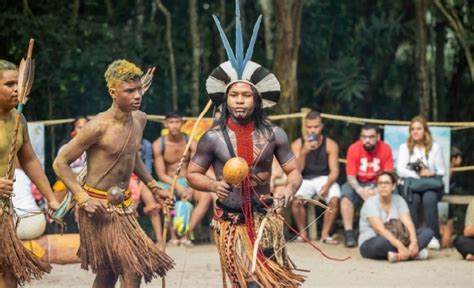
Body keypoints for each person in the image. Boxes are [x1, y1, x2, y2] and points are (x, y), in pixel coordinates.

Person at [187, 4, 304, 286]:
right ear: (225, 100)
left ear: (256, 100)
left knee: (270, 280)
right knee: (243, 280)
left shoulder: (275, 134)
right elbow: (192, 175)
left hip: (265, 218)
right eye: (234, 95)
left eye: (246, 95)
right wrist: (213, 186)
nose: (239, 100)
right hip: (230, 220)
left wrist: (290, 187)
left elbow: (294, 172)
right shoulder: (212, 137)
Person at [53, 59, 174, 287]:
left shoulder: (140, 119)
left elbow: (131, 155)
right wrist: (82, 197)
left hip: (124, 205)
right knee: (132, 265)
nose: (137, 95)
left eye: (139, 89)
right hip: (97, 208)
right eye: (129, 91)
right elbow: (60, 162)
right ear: (113, 92)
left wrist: (154, 186)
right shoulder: (97, 127)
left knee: (109, 272)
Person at [0, 59, 60, 287]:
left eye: (19, 83)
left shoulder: (18, 118)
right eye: (10, 84)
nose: (18, 89)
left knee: (8, 266)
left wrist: (52, 198)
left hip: (4, 207)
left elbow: (30, 161)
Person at [152, 111, 212, 246]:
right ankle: (173, 235)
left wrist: (190, 187)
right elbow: (160, 174)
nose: (174, 126)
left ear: (182, 123)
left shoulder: (191, 142)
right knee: (164, 196)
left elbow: (198, 168)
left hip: (188, 180)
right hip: (168, 182)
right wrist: (177, 187)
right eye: (171, 122)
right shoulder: (158, 145)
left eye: (177, 122)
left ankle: (186, 235)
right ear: (165, 124)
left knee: (205, 197)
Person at [359, 172, 433, 262]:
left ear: (393, 186)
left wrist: (414, 242)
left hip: (399, 238)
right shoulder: (370, 203)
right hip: (372, 241)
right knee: (380, 244)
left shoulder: (399, 200)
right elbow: (379, 230)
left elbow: (408, 223)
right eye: (380, 183)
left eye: (386, 183)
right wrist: (399, 245)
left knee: (427, 232)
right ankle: (412, 254)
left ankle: (399, 255)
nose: (383, 186)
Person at [291, 110, 340, 244]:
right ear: (305, 127)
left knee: (334, 198)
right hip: (304, 178)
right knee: (295, 199)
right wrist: (304, 152)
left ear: (321, 126)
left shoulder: (331, 144)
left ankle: (325, 234)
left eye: (315, 127)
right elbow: (296, 171)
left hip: (324, 178)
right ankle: (302, 234)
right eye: (309, 127)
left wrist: (328, 185)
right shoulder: (297, 144)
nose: (312, 130)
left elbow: (335, 171)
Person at [396, 116, 445, 250]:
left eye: (419, 128)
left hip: (431, 185)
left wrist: (430, 172)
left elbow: (442, 171)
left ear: (425, 131)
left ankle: (434, 236)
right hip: (413, 186)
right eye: (412, 129)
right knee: (413, 199)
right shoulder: (405, 147)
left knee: (429, 198)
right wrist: (418, 174)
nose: (415, 132)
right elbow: (400, 170)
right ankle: (415, 237)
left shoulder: (435, 147)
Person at [340, 123, 394, 247]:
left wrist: (377, 189)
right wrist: (360, 190)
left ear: (378, 137)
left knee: (391, 192)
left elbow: (388, 174)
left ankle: (387, 230)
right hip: (358, 182)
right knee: (345, 193)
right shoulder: (353, 148)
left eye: (371, 137)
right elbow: (350, 176)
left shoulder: (385, 148)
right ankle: (348, 233)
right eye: (364, 137)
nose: (367, 140)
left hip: (378, 183)